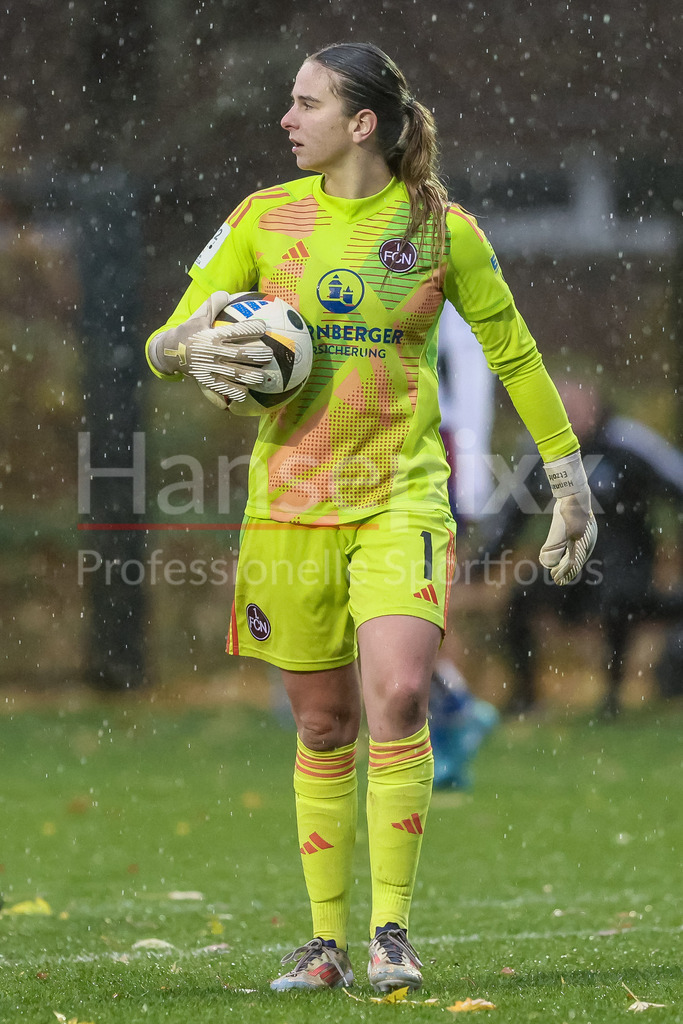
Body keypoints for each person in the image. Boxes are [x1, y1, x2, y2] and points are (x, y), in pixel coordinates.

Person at [145, 42, 597, 994]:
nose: (284, 118)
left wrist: (567, 480)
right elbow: (168, 335)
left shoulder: (440, 229)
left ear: (361, 124)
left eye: (304, 103)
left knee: (397, 697)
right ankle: (323, 946)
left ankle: (392, 932)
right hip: (289, 509)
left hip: (402, 498)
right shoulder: (261, 220)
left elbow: (514, 354)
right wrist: (183, 347)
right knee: (321, 724)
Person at [478, 380, 683, 718]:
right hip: (575, 566)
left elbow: (675, 488)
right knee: (520, 600)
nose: (568, 415)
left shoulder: (629, 443)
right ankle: (527, 696)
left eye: (575, 407)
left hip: (627, 561)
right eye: (561, 407)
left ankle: (613, 697)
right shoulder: (543, 449)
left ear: (596, 406)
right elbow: (511, 515)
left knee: (619, 600)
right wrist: (482, 562)